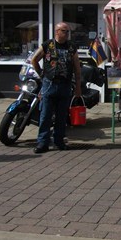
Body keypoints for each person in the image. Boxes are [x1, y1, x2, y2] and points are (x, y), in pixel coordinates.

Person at [31, 22, 82, 153]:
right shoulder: (48, 45)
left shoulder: (71, 47)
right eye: (64, 31)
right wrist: (42, 74)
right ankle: (42, 143)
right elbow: (34, 60)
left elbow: (77, 67)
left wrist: (78, 86)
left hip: (65, 84)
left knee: (62, 116)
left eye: (68, 32)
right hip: (50, 84)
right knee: (45, 114)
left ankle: (59, 141)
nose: (66, 34)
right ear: (57, 31)